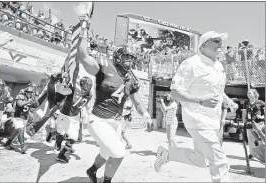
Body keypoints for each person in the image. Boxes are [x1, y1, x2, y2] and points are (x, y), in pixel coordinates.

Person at [76, 14, 153, 183]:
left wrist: (146, 115)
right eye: (126, 57)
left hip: (115, 122)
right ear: (118, 56)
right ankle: (107, 181)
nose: (129, 61)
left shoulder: (132, 79)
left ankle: (91, 170)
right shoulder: (105, 68)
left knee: (106, 153)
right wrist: (84, 29)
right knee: (118, 152)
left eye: (131, 58)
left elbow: (137, 102)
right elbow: (83, 55)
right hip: (99, 119)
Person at [154, 31, 239, 182]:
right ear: (204, 44)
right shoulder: (191, 63)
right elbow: (175, 91)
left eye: (221, 41)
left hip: (213, 120)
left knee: (201, 160)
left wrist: (228, 101)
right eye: (216, 40)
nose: (221, 44)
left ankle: (166, 154)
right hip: (198, 119)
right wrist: (200, 100)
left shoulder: (218, 65)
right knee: (219, 161)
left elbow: (218, 91)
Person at [55, 76, 93, 163]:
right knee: (60, 133)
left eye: (89, 86)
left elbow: (88, 106)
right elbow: (61, 91)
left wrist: (90, 117)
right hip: (65, 114)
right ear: (82, 85)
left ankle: (61, 154)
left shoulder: (89, 95)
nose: (87, 89)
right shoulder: (74, 88)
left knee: (74, 138)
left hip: (75, 117)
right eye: (86, 86)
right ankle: (58, 141)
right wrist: (62, 82)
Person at [3, 86, 39, 154]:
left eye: (30, 92)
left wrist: (36, 98)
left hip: (24, 117)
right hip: (17, 116)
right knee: (21, 130)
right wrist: (28, 101)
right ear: (25, 92)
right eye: (27, 92)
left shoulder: (31, 98)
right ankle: (22, 147)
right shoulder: (20, 96)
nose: (29, 93)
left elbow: (36, 105)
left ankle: (7, 143)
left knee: (16, 131)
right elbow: (20, 104)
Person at [243, 89, 265, 159]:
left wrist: (262, 116)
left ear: (254, 94)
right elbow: (244, 113)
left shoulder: (260, 102)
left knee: (261, 140)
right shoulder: (246, 103)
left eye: (250, 93)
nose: (248, 94)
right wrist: (244, 122)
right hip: (249, 123)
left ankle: (262, 154)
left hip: (259, 124)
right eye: (248, 93)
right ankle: (252, 154)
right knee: (250, 140)